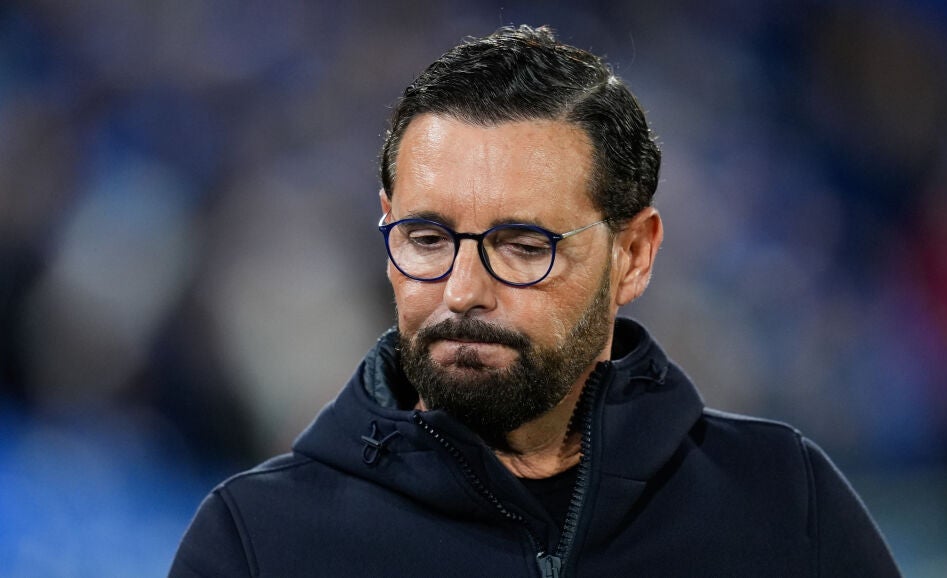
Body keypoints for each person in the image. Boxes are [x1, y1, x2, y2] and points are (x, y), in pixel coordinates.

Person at [170, 25, 901, 577]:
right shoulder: (259, 541)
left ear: (634, 255)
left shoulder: (783, 504)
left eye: (523, 245)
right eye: (427, 239)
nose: (463, 292)